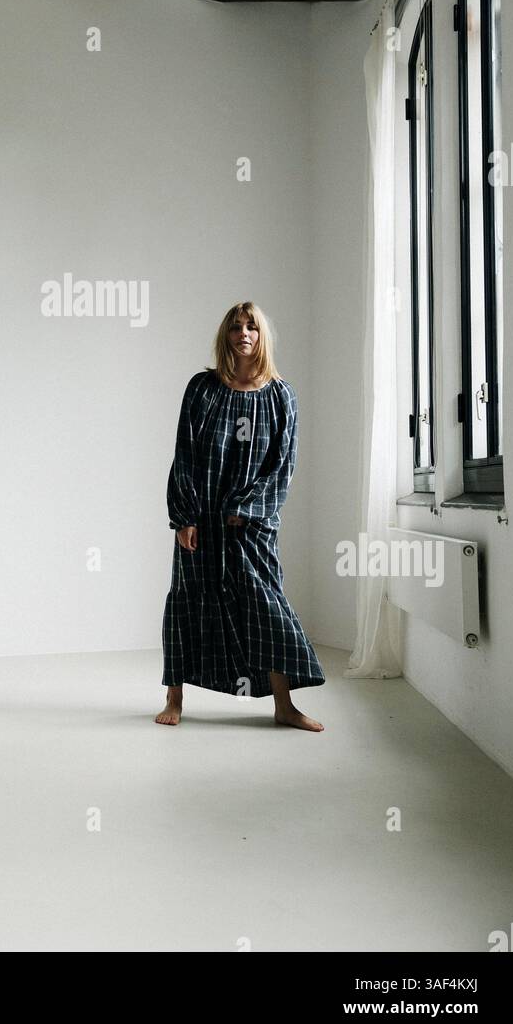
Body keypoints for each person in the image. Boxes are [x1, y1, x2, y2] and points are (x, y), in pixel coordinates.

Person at [156, 301, 325, 731]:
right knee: (189, 602)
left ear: (262, 335)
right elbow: (186, 454)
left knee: (266, 606)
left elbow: (283, 465)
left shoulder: (280, 395)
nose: (244, 333)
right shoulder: (202, 388)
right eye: (236, 327)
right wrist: (185, 516)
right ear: (226, 336)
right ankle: (174, 697)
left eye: (252, 327)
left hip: (251, 524)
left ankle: (283, 706)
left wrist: (247, 510)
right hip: (202, 520)